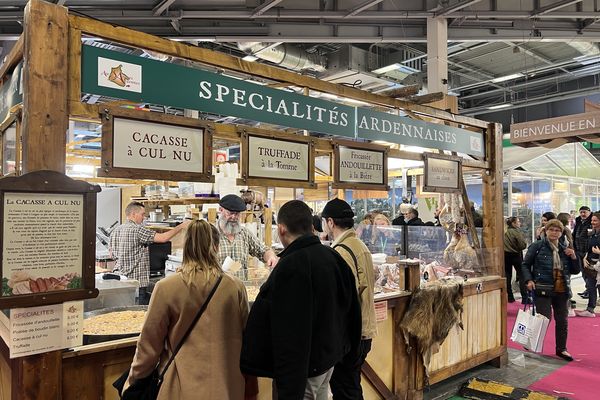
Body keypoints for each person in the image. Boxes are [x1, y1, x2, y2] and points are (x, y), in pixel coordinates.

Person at [241, 200, 361, 400]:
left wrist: (287, 386)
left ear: (281, 229)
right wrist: (348, 355)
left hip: (303, 371)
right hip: (328, 361)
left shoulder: (289, 267)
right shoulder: (333, 257)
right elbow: (352, 309)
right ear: (311, 227)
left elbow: (288, 333)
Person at [122, 219, 249, 399]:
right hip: (228, 386)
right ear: (217, 246)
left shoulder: (166, 287)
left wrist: (132, 381)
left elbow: (148, 347)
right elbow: (246, 339)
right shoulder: (235, 287)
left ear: (185, 247)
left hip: (181, 387)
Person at [321, 198, 377, 400]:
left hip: (352, 335)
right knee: (351, 386)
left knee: (345, 389)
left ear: (330, 222)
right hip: (365, 332)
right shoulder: (360, 245)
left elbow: (344, 300)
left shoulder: (341, 252)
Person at [521, 219, 580, 362]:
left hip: (562, 290)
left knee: (562, 321)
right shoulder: (537, 246)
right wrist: (529, 280)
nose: (554, 232)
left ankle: (562, 349)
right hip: (543, 289)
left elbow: (575, 270)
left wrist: (573, 257)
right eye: (551, 230)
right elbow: (525, 265)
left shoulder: (565, 248)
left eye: (557, 230)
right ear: (545, 231)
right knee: (544, 319)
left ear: (561, 232)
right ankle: (532, 342)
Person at [109, 202, 190, 305]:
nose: (144, 218)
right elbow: (163, 238)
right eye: (142, 214)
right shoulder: (138, 229)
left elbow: (111, 255)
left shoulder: (116, 230)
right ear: (133, 214)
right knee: (139, 316)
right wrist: (181, 226)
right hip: (137, 282)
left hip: (120, 280)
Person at [216, 194, 278, 269]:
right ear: (220, 210)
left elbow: (263, 250)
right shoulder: (210, 234)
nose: (234, 217)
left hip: (241, 281)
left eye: (237, 214)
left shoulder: (244, 233)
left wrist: (270, 257)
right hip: (219, 281)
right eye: (230, 213)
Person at [578, 212, 600, 317]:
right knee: (591, 286)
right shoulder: (592, 233)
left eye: (595, 220)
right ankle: (590, 309)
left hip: (599, 265)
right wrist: (584, 258)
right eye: (592, 220)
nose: (593, 222)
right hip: (591, 265)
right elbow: (588, 248)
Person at [503, 217, 528, 303]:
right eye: (518, 221)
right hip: (516, 255)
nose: (519, 223)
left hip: (505, 255)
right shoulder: (516, 232)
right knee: (522, 275)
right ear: (513, 223)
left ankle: (510, 297)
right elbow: (522, 245)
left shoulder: (504, 231)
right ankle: (525, 298)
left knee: (507, 275)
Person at [573, 206, 592, 298]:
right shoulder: (578, 221)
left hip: (587, 251)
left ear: (589, 212)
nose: (582, 214)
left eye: (584, 212)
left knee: (589, 272)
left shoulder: (592, 222)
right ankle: (588, 289)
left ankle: (590, 291)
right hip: (578, 250)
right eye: (581, 212)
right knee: (583, 272)